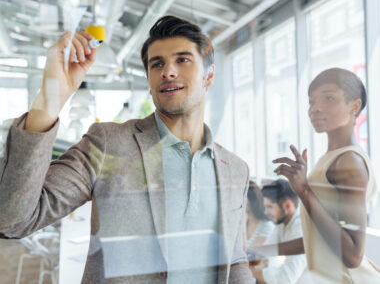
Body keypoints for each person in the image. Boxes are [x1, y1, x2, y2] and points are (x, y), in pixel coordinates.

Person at [0, 16, 254, 283]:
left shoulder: (236, 170)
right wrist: (49, 101)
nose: (168, 71)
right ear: (149, 79)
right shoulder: (109, 143)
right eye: (157, 64)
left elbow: (235, 259)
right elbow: (13, 220)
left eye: (182, 60)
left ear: (209, 74)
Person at [273, 68, 380, 283]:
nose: (316, 108)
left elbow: (352, 255)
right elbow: (319, 239)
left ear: (355, 106)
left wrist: (303, 190)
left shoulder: (349, 161)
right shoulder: (331, 159)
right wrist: (260, 251)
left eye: (329, 98)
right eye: (311, 102)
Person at [249, 179, 306, 284]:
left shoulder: (301, 227)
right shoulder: (283, 222)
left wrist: (252, 272)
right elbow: (265, 251)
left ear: (287, 205)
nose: (266, 212)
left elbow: (286, 279)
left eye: (269, 207)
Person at [245, 181, 274, 247]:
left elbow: (250, 254)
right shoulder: (241, 223)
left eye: (243, 198)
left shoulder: (267, 225)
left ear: (252, 199)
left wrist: (242, 225)